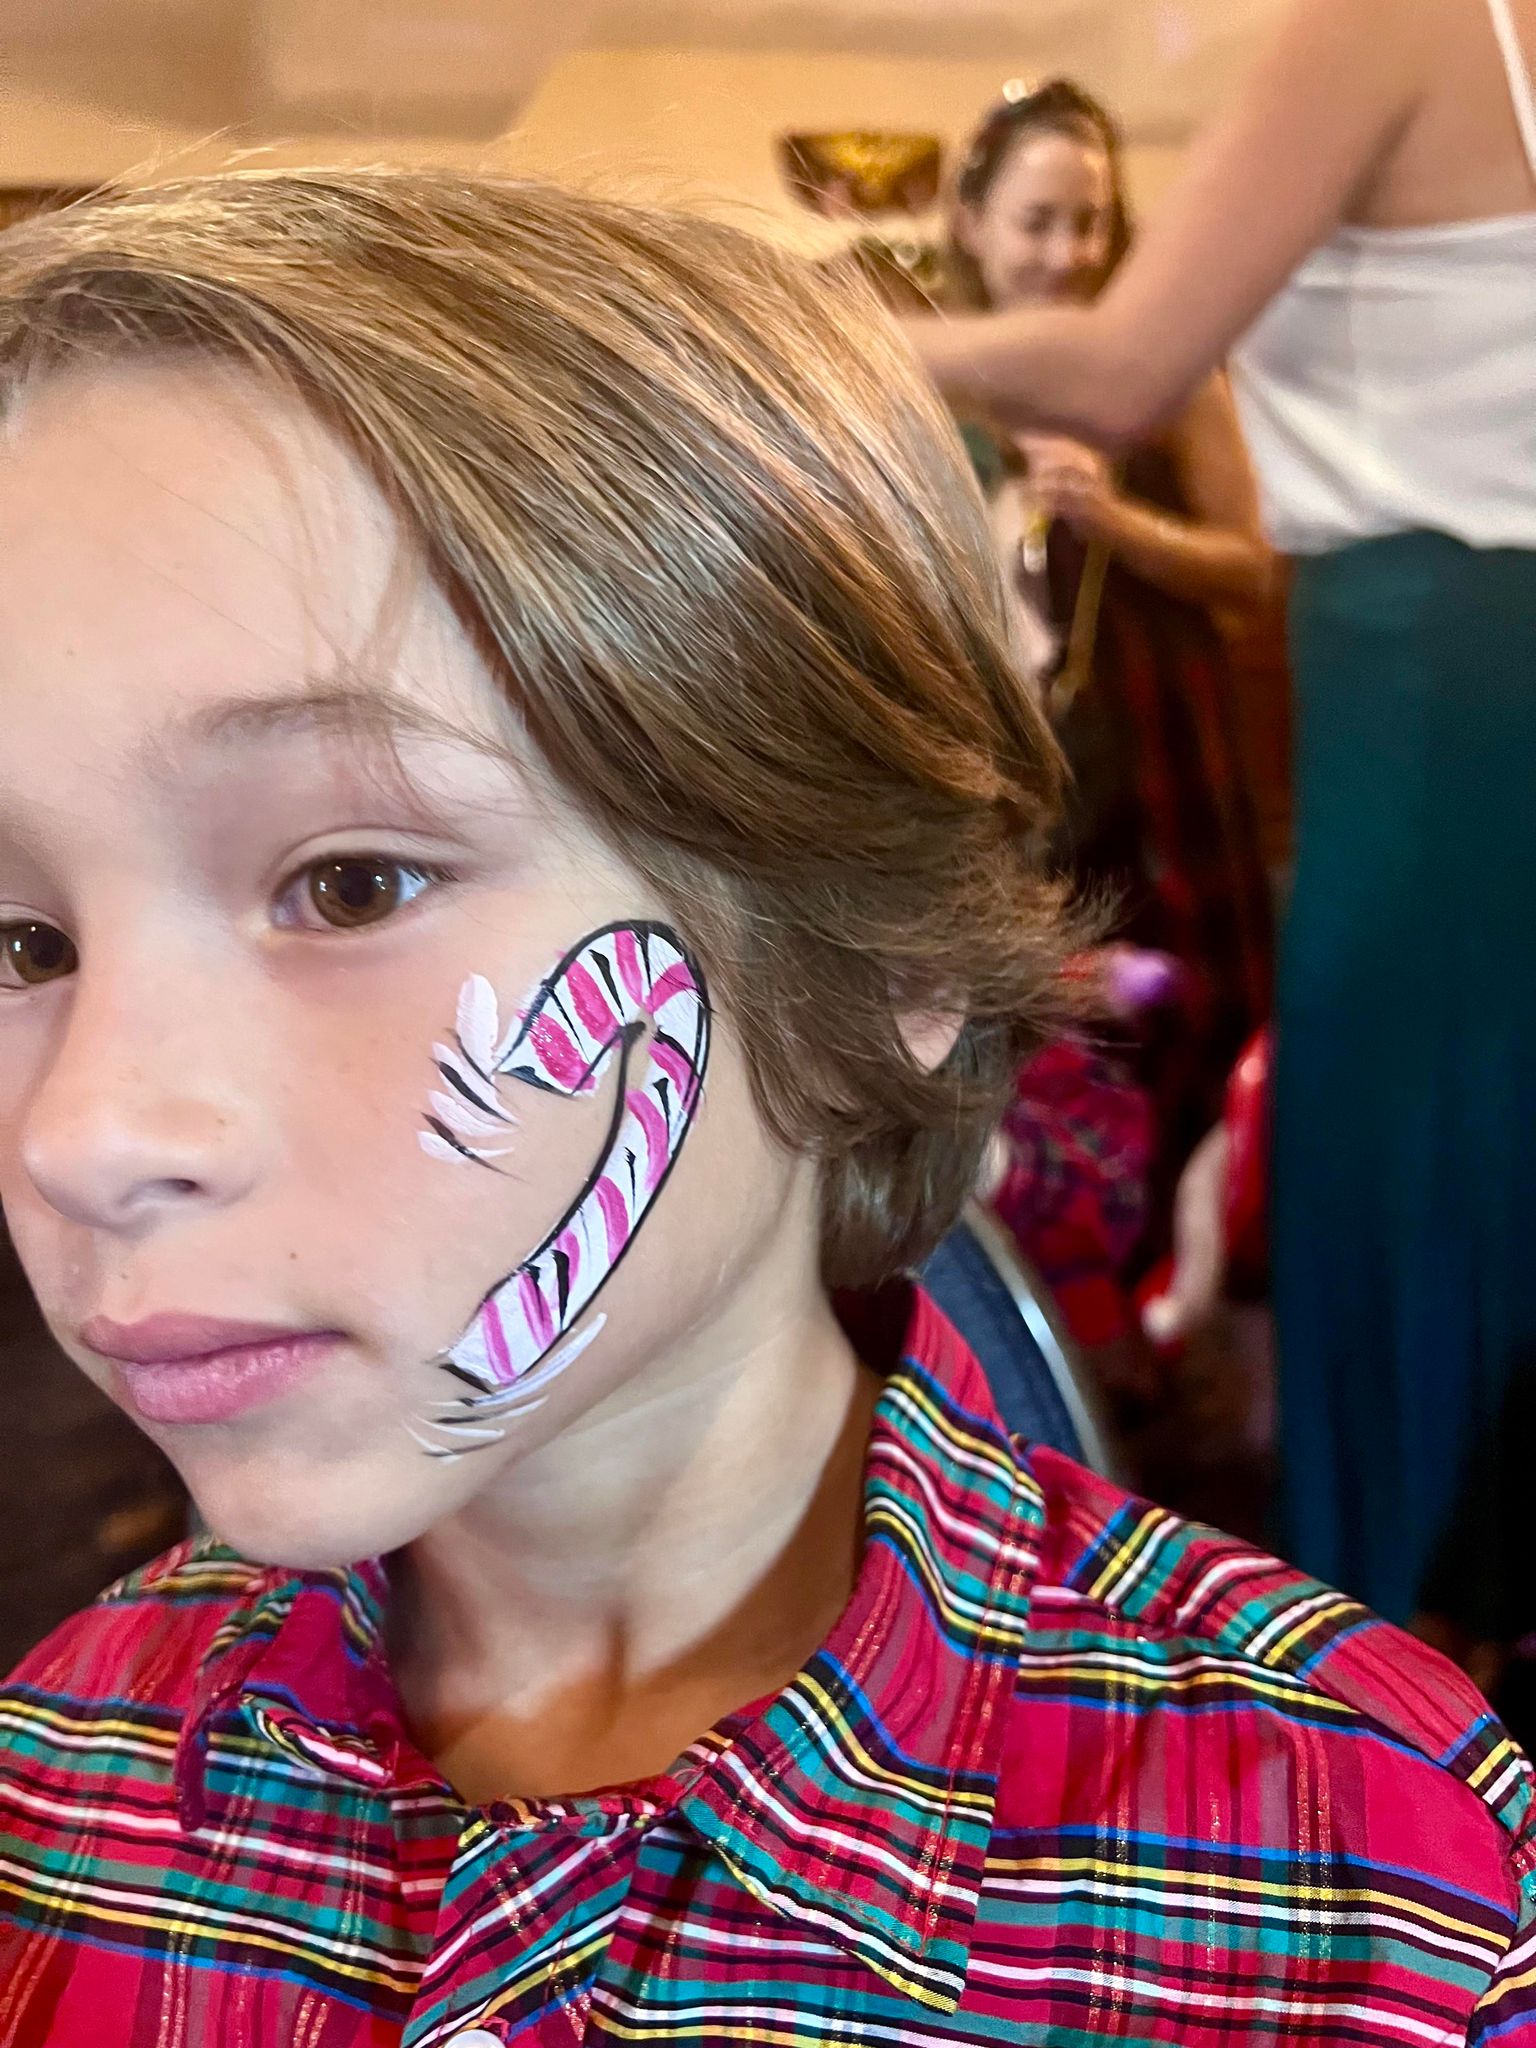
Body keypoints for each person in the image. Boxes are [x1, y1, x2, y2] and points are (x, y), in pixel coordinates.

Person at [0, 170, 1532, 2047]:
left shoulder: (1371, 1890)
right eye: (20, 934)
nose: (81, 1131)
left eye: (353, 882)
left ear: (885, 947)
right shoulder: (52, 1798)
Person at [907, 0, 1536, 1634]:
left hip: (1425, 677)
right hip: (1464, 672)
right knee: (1465, 1165)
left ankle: (1396, 1695)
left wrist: (782, 329)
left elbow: (1127, 366)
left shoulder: (1389, 21)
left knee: (1390, 1182)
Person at [949, 82, 1275, 1228]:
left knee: (1179, 1046)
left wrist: (1121, 524)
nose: (1065, 253)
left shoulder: (1166, 371)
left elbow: (1253, 567)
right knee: (1018, 1079)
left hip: (1156, 765)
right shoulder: (937, 389)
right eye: (1036, 222)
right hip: (995, 783)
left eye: (1087, 223)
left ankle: (1179, 1321)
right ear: (972, 223)